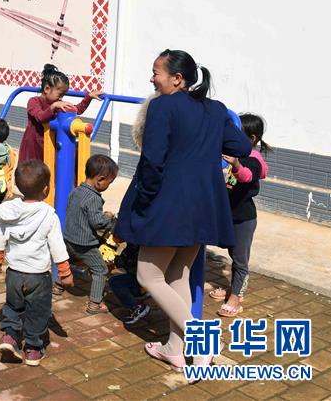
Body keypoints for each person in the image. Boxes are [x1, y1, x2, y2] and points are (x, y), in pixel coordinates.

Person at [114, 49, 251, 372]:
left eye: (156, 72)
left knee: (147, 275)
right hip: (204, 204)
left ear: (177, 79)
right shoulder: (215, 109)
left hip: (168, 203)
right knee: (178, 275)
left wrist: (146, 200)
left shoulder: (163, 106)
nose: (152, 79)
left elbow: (153, 160)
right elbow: (242, 147)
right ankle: (174, 349)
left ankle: (201, 342)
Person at [0, 160, 73, 366]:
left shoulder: (10, 212)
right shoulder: (49, 215)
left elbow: (0, 235)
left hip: (14, 273)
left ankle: (10, 337)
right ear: (46, 189)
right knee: (38, 312)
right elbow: (57, 246)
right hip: (38, 276)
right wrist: (65, 272)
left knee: (13, 306)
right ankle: (33, 349)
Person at [209, 114, 270, 318]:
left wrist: (236, 165)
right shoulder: (228, 152)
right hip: (226, 214)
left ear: (251, 138)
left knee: (240, 260)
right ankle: (233, 288)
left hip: (243, 218)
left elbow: (247, 176)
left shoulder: (254, 159)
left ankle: (235, 297)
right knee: (231, 253)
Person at [63, 154, 119, 314]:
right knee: (100, 269)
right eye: (109, 183)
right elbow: (97, 223)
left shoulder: (76, 191)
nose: (108, 186)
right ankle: (95, 304)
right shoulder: (94, 198)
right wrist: (108, 217)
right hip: (84, 244)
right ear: (100, 180)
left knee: (68, 262)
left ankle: (58, 285)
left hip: (68, 238)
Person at [19, 64, 102, 165]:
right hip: (33, 146)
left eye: (63, 95)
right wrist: (53, 107)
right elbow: (40, 117)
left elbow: (77, 110)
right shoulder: (34, 102)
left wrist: (88, 97)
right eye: (60, 94)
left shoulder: (58, 104)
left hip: (49, 144)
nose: (61, 98)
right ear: (46, 89)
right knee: (31, 170)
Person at [108, 243, 151, 325]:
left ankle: (138, 307)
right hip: (145, 276)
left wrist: (119, 254)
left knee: (115, 282)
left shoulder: (136, 245)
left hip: (145, 278)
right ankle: (139, 296)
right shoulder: (137, 244)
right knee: (120, 278)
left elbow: (126, 264)